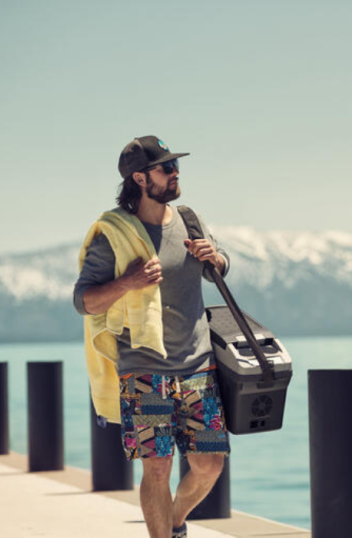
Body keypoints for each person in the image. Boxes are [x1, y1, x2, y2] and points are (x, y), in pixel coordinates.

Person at [73, 135, 231, 538]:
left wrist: (218, 258)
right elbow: (84, 301)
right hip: (144, 371)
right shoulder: (114, 233)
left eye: (175, 166)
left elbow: (221, 266)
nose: (175, 173)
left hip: (198, 368)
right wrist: (129, 282)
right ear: (140, 179)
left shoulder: (190, 220)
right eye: (166, 168)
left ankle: (175, 521)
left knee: (210, 464)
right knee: (157, 466)